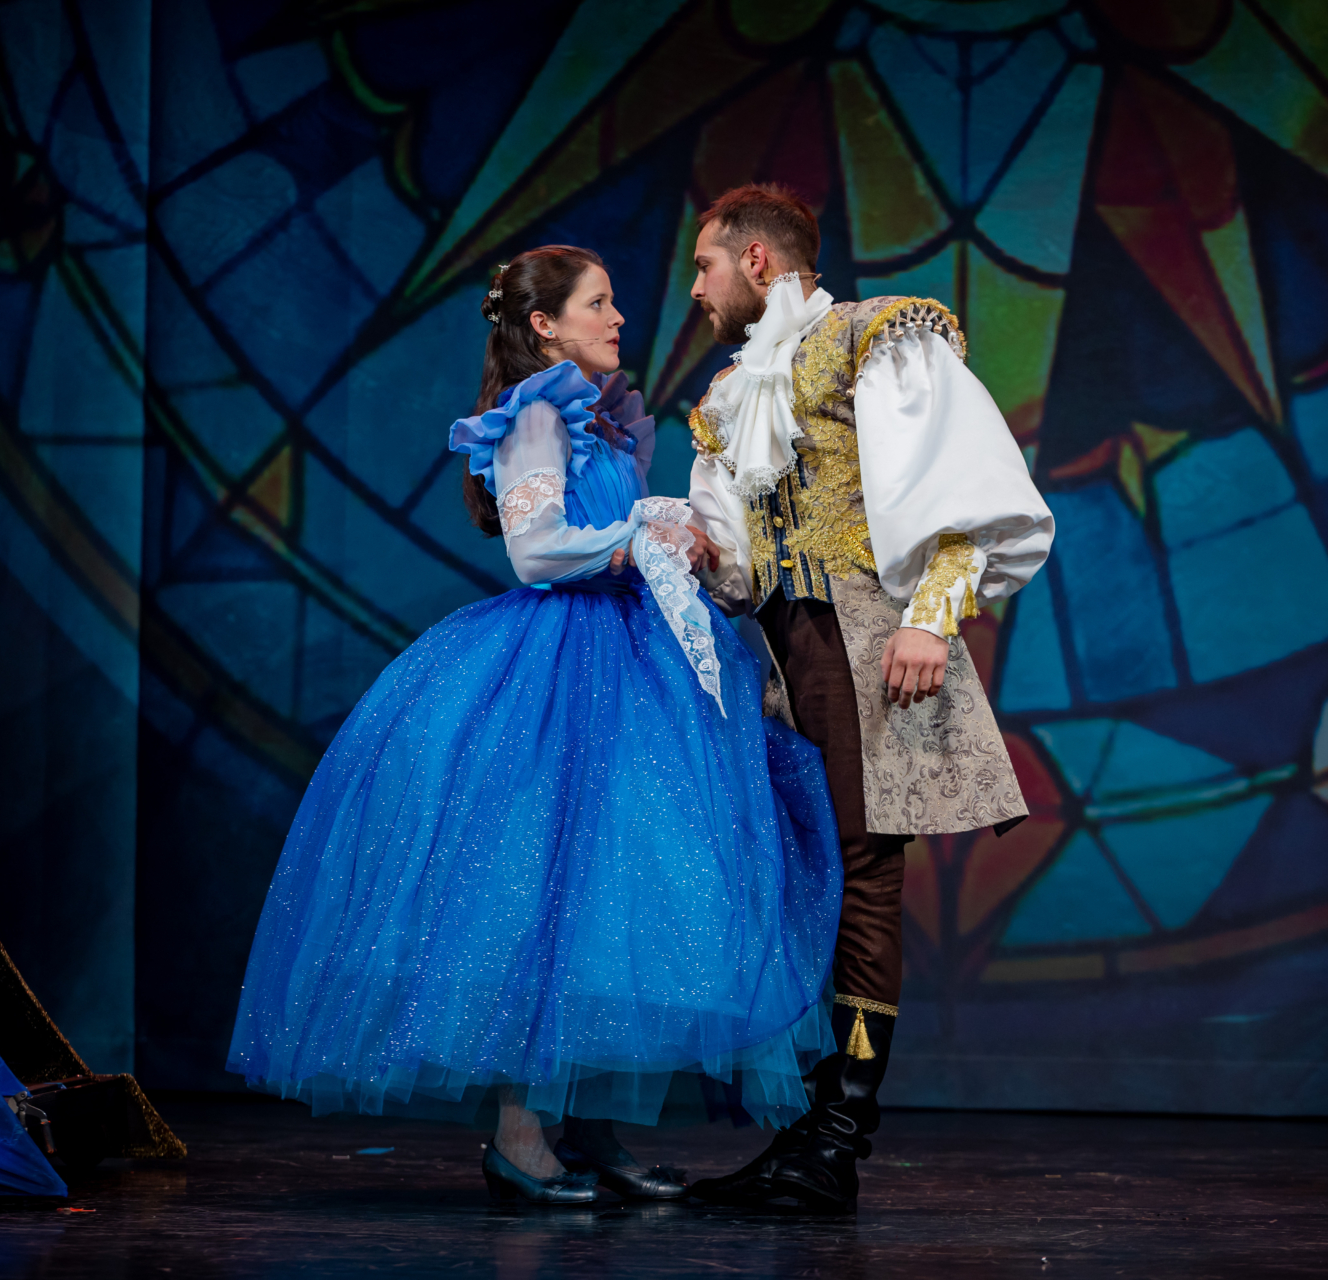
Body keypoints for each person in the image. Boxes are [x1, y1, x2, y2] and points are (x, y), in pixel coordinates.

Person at [227, 245, 844, 1206]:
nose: (618, 317)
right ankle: (521, 1140)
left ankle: (591, 1129)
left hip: (629, 659)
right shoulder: (538, 413)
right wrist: (639, 536)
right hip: (567, 665)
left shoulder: (598, 417)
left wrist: (665, 531)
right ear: (545, 325)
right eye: (598, 303)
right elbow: (536, 550)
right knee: (550, 891)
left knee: (618, 895)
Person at [682, 185, 1055, 1213]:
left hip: (866, 636)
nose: (697, 290)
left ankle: (838, 1138)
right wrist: (694, 549)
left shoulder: (874, 338)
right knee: (806, 874)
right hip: (783, 654)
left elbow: (961, 488)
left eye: (706, 266)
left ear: (758, 260)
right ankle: (804, 1131)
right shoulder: (732, 393)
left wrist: (930, 617)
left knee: (862, 872)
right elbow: (738, 557)